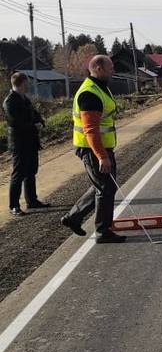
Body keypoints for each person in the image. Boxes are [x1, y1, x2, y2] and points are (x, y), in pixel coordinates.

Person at [60, 55, 126, 243]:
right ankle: (102, 231)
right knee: (106, 187)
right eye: (110, 67)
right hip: (91, 148)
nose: (113, 70)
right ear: (98, 68)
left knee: (103, 185)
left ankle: (73, 217)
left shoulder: (99, 88)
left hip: (100, 147)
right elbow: (90, 130)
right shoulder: (90, 93)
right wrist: (101, 156)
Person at [3, 72, 49, 216]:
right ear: (22, 83)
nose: (28, 85)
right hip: (19, 143)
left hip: (31, 142)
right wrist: (33, 126)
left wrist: (40, 120)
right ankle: (14, 206)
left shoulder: (24, 99)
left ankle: (32, 200)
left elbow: (34, 113)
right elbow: (15, 122)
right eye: (27, 83)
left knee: (31, 172)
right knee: (18, 174)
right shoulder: (10, 101)